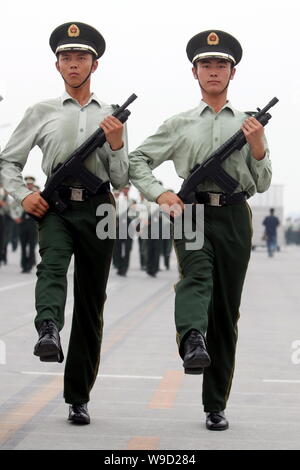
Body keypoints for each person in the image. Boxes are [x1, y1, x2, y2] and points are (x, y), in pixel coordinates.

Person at [129, 30, 272, 430]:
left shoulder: (249, 125)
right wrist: (161, 195)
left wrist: (258, 145)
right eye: (206, 65)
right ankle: (192, 338)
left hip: (234, 216)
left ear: (232, 73)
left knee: (226, 312)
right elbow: (138, 159)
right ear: (194, 72)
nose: (214, 71)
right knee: (195, 273)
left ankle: (215, 404)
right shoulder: (178, 124)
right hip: (191, 211)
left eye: (221, 65)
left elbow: (261, 182)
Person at [0, 22, 128, 425]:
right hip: (54, 207)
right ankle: (48, 329)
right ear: (57, 65)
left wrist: (119, 143)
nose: (74, 64)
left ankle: (79, 396)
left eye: (81, 58)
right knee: (51, 265)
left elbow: (121, 179)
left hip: (100, 209)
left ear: (95, 64)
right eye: (66, 58)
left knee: (92, 304)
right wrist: (24, 195)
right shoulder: (41, 111)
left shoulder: (110, 116)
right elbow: (8, 161)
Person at [18, 177, 38, 273]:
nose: (29, 185)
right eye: (28, 184)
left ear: (33, 184)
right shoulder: (21, 193)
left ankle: (29, 264)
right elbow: (14, 205)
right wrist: (15, 217)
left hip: (32, 222)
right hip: (23, 222)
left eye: (31, 184)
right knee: (23, 245)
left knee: (31, 245)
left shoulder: (37, 193)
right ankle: (23, 265)